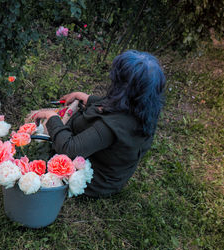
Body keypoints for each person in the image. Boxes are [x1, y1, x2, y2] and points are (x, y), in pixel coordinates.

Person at [31, 50, 166, 197]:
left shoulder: (111, 127)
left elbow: (69, 148)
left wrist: (52, 118)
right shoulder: (143, 108)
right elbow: (117, 105)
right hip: (113, 171)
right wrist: (87, 98)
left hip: (95, 181)